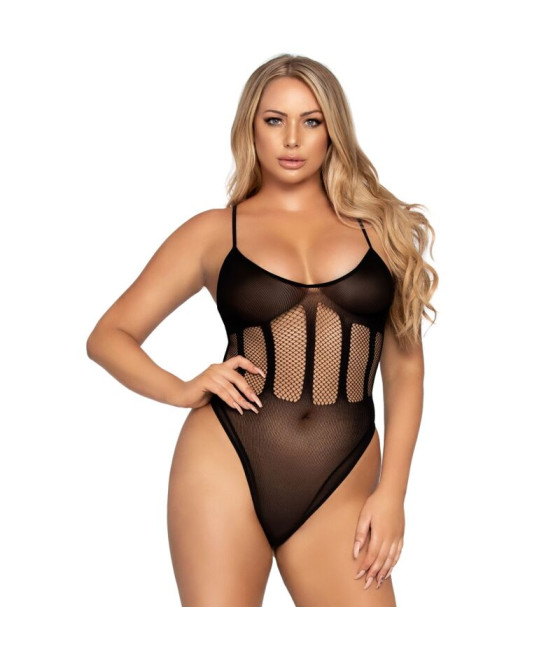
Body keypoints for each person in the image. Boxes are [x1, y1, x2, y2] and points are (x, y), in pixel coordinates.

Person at [86, 53, 438, 607]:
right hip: (224, 460)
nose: (292, 139)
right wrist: (182, 389)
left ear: (333, 131)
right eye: (275, 120)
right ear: (250, 128)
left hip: (343, 473)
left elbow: (405, 368)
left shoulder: (383, 233)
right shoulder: (213, 232)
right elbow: (109, 336)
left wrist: (392, 492)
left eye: (311, 121)